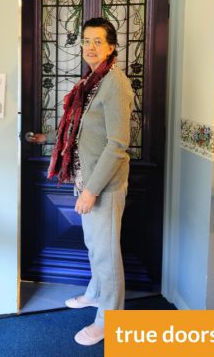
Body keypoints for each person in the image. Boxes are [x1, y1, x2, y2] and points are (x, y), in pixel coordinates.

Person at [26, 17, 133, 346]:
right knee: (93, 247)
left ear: (112, 46)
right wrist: (49, 139)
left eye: (98, 41)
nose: (90, 47)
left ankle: (109, 319)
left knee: (105, 253)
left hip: (103, 184)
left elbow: (117, 145)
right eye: (86, 40)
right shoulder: (92, 82)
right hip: (85, 176)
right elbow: (85, 132)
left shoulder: (114, 83)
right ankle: (96, 292)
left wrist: (90, 190)